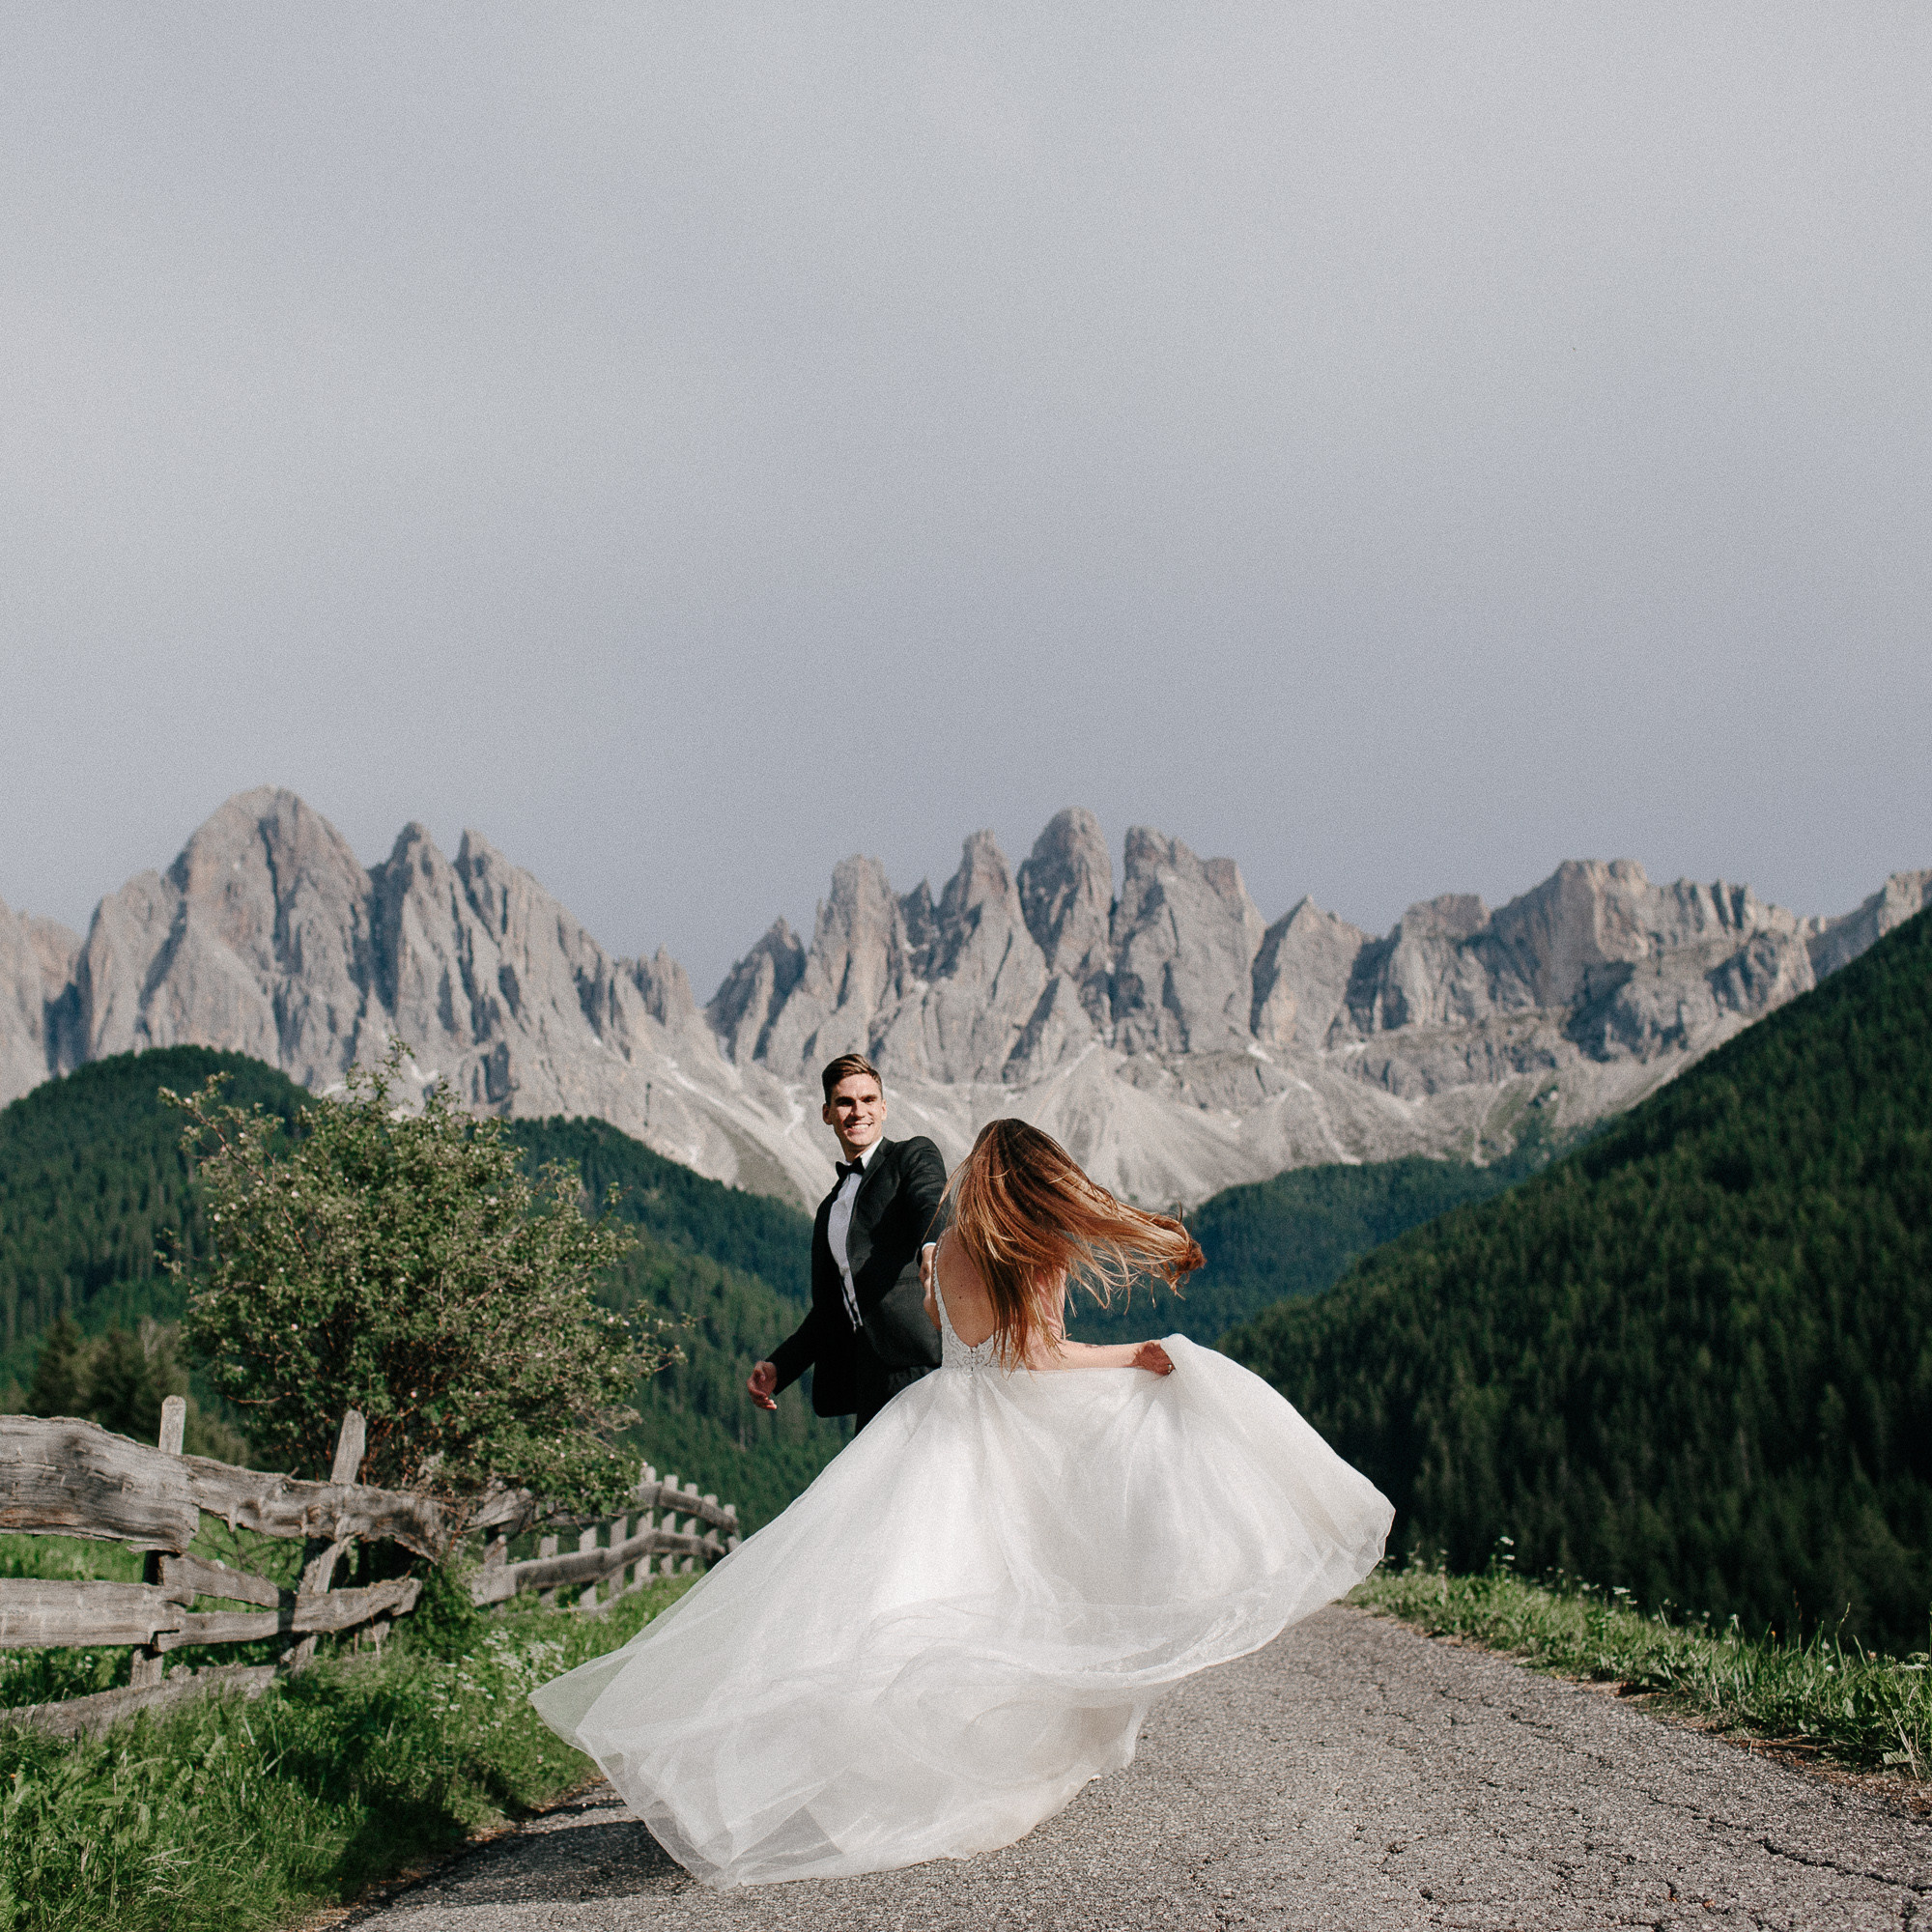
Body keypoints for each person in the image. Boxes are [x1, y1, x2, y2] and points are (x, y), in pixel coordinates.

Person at [531, 1118, 1394, 1889]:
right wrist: (1139, 1355)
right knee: (1008, 1592)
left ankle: (826, 1759)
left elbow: (973, 1357)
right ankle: (974, 1758)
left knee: (895, 1591)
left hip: (934, 1420)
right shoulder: (1038, 1250)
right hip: (1002, 1426)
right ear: (1038, 1180)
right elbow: (1043, 1363)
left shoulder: (941, 1256)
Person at [746, 1053, 947, 1433]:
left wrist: (933, 1246)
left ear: (884, 1108)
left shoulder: (911, 1156)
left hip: (925, 1361)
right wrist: (779, 1367)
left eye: (868, 1100)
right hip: (869, 1382)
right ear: (827, 1113)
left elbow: (930, 1199)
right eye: (845, 1102)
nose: (858, 1112)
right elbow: (829, 1313)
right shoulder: (829, 1210)